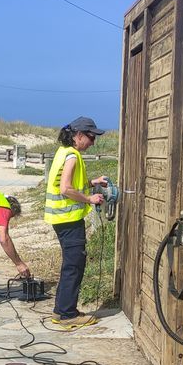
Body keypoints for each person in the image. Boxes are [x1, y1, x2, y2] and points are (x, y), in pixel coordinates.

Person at [44, 116, 109, 330]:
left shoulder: (64, 152)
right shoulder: (72, 155)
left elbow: (71, 183)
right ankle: (67, 315)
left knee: (71, 265)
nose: (93, 142)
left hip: (62, 220)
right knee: (74, 266)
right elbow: (66, 189)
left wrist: (92, 183)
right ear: (78, 135)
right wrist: (90, 199)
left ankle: (62, 310)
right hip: (68, 220)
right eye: (91, 137)